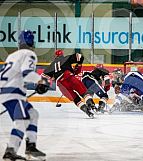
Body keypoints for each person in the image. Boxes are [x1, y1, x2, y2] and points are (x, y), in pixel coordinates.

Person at [0, 30, 49, 161]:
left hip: (6, 91)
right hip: (13, 93)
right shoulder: (29, 54)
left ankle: (31, 147)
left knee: (33, 114)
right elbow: (27, 73)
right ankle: (10, 151)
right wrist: (41, 80)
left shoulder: (12, 55)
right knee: (21, 121)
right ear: (31, 42)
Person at [41, 50, 94, 118]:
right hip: (69, 77)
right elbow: (79, 56)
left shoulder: (51, 66)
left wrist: (51, 79)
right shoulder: (66, 58)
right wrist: (79, 63)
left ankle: (87, 112)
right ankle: (91, 104)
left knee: (75, 99)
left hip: (61, 84)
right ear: (62, 55)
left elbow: (44, 76)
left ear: (55, 56)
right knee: (83, 92)